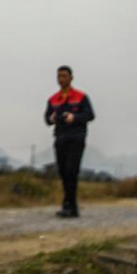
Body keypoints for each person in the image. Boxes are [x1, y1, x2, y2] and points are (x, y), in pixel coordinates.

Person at [45, 65, 95, 218]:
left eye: (64, 76)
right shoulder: (53, 99)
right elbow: (46, 119)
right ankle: (68, 203)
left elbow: (90, 115)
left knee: (71, 171)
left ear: (71, 77)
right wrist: (51, 118)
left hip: (76, 137)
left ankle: (70, 206)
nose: (61, 79)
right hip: (60, 138)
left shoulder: (81, 97)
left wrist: (75, 118)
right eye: (59, 76)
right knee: (62, 171)